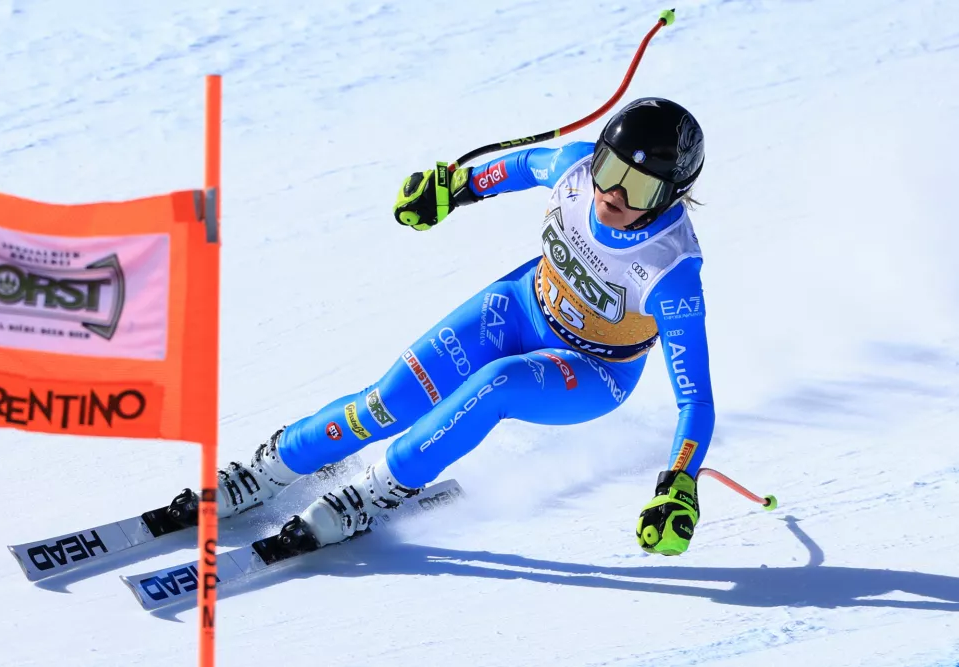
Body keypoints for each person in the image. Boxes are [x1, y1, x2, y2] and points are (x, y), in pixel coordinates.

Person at [181, 97, 712, 557]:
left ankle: (380, 491)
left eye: (639, 185)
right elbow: (520, 168)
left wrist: (678, 483)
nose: (613, 192)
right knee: (387, 401)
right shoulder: (574, 170)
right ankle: (273, 467)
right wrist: (453, 191)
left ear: (670, 195)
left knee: (496, 384)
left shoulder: (672, 273)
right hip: (520, 306)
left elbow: (695, 401)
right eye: (610, 168)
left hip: (593, 369)